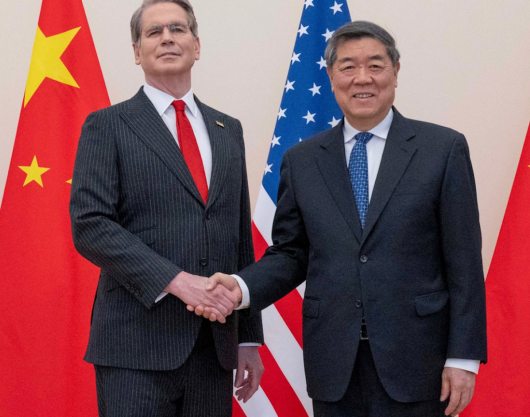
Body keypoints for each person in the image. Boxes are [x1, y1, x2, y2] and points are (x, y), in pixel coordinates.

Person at [197, 21, 487, 417]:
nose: (362, 78)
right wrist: (240, 287)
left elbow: (464, 261)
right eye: (348, 67)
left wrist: (464, 358)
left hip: (419, 360)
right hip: (334, 362)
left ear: (395, 72)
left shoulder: (443, 149)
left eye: (375, 65)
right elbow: (291, 254)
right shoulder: (302, 160)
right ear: (332, 77)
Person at [70, 0, 264, 417]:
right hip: (135, 346)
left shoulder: (228, 129)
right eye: (153, 31)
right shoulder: (107, 125)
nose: (167, 37)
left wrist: (248, 337)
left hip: (214, 347)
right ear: (137, 52)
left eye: (178, 28)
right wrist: (176, 281)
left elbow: (238, 237)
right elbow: (90, 225)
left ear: (197, 45)